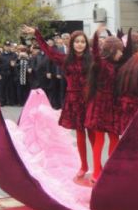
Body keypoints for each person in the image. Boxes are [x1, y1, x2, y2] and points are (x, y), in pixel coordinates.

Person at [23, 25, 95, 178]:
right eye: (77, 42)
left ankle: (97, 166)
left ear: (86, 44)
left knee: (93, 134)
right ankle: (83, 166)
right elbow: (48, 51)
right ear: (71, 44)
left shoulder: (92, 59)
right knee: (80, 134)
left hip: (90, 99)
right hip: (74, 100)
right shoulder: (65, 60)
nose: (80, 44)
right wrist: (37, 33)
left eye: (83, 42)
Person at [85, 28, 124, 183]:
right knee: (100, 139)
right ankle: (96, 172)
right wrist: (95, 36)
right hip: (100, 106)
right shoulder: (101, 63)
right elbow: (95, 52)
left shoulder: (115, 64)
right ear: (113, 50)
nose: (121, 53)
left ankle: (111, 170)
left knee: (114, 138)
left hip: (112, 105)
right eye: (119, 50)